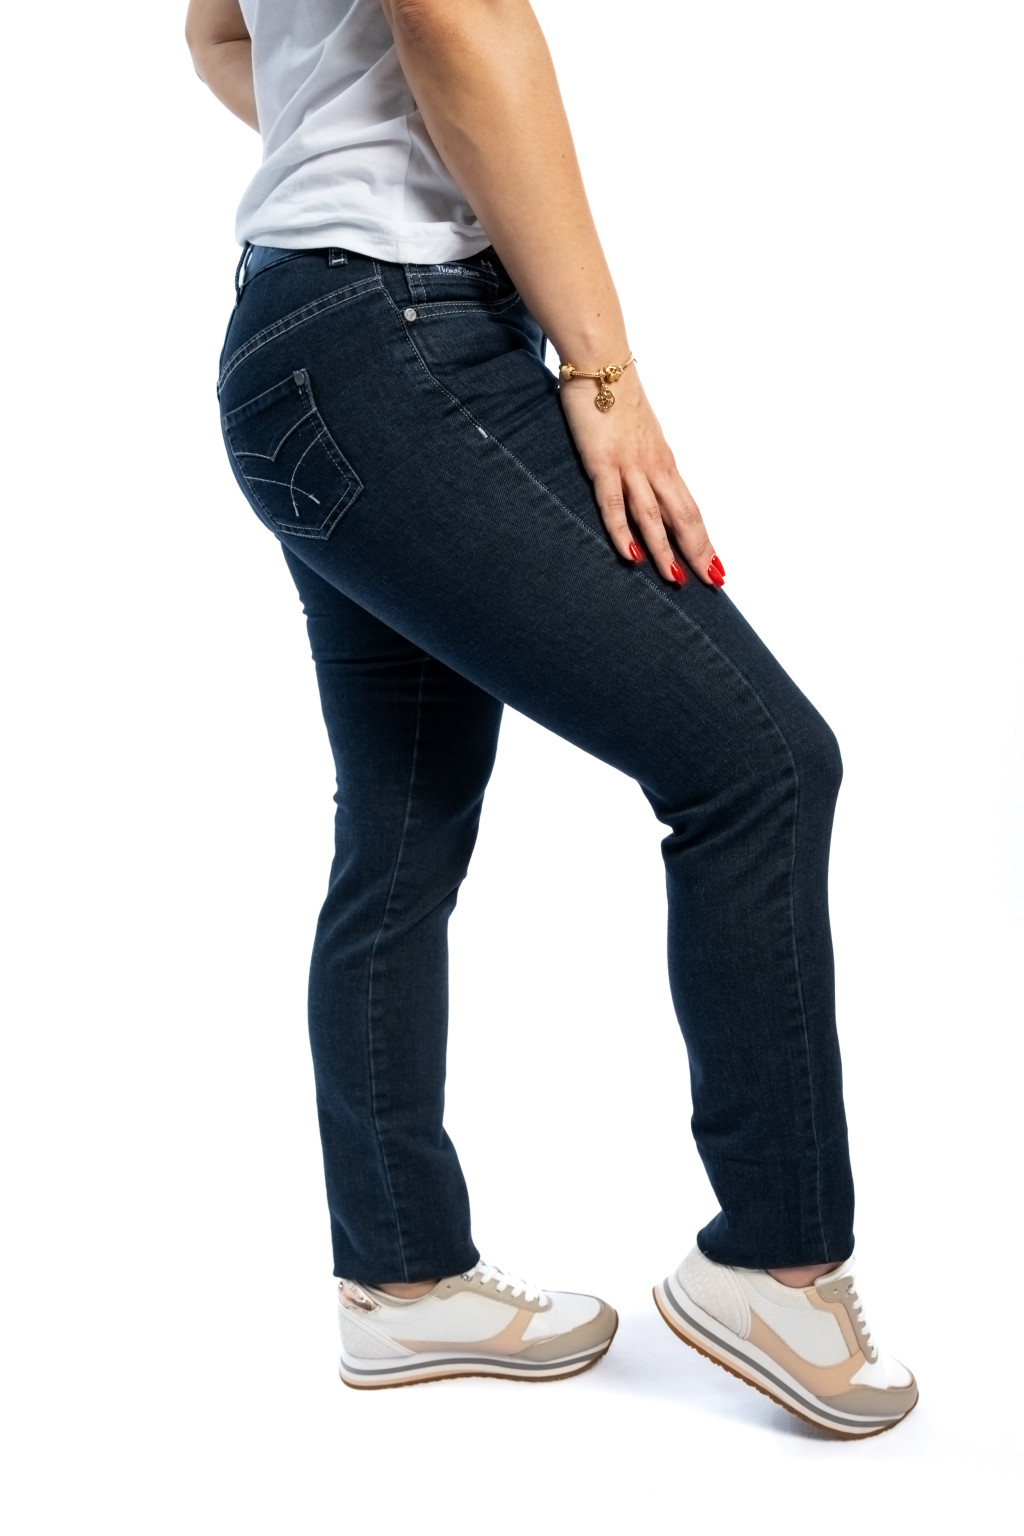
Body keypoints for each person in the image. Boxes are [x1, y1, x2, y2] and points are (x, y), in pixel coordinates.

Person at [185, 0, 917, 1435]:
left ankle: (402, 1282)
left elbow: (219, 34)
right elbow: (451, 16)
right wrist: (603, 374)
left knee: (398, 835)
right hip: (401, 336)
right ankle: (776, 1259)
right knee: (761, 764)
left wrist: (343, 151)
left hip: (294, 345)